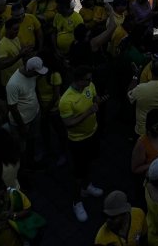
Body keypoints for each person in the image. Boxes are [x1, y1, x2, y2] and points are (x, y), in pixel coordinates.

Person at [59, 64, 106, 222]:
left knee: (90, 163)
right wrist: (89, 112)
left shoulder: (89, 86)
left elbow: (94, 97)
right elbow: (69, 123)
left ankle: (87, 187)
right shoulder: (66, 100)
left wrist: (97, 100)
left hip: (93, 133)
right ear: (78, 80)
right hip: (78, 141)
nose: (90, 81)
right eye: (87, 79)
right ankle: (76, 201)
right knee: (78, 174)